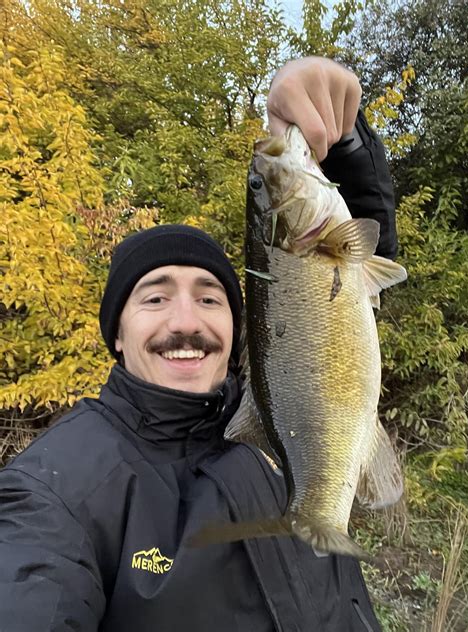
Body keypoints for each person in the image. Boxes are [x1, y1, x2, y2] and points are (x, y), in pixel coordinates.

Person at [0, 57, 396, 631]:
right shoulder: (54, 487)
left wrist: (338, 137)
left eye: (210, 298)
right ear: (116, 331)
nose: (186, 320)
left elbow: (354, 246)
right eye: (155, 298)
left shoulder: (265, 423)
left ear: (241, 328)